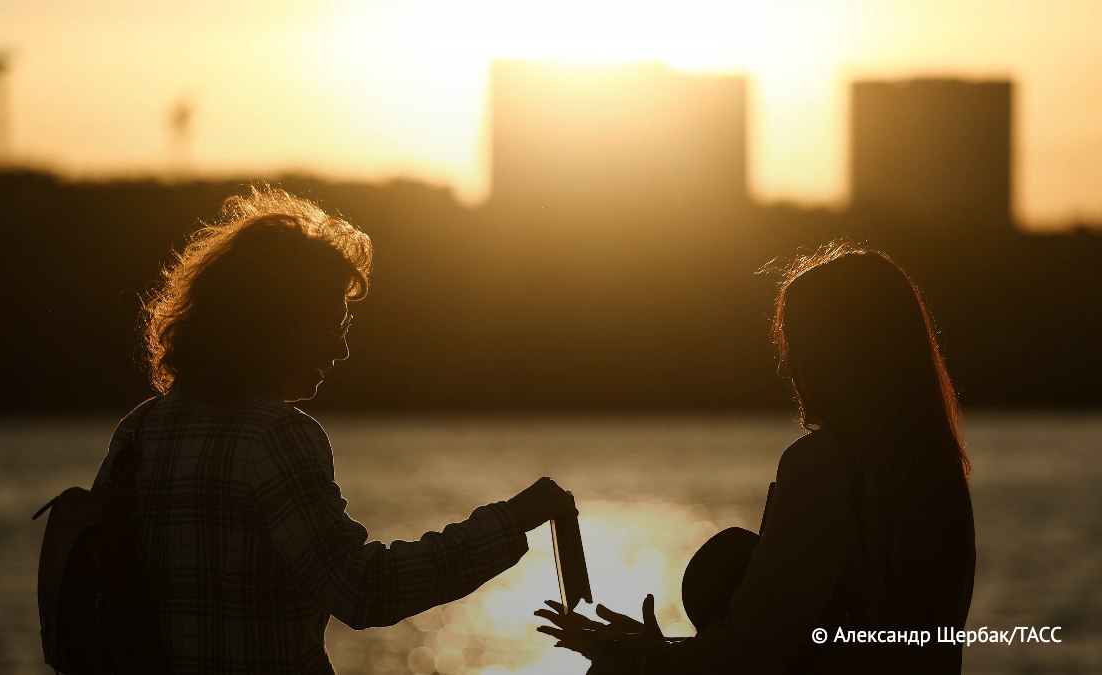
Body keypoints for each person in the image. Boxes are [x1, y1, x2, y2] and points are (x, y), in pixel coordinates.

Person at [93, 185, 575, 675]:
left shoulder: (139, 430)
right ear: (270, 324)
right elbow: (363, 591)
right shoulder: (274, 436)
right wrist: (511, 520)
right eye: (329, 327)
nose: (339, 351)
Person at [538, 242, 975, 674]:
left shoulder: (825, 466)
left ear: (836, 355)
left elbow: (749, 655)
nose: (789, 369)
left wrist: (637, 663)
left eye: (797, 345)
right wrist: (663, 649)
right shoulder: (937, 472)